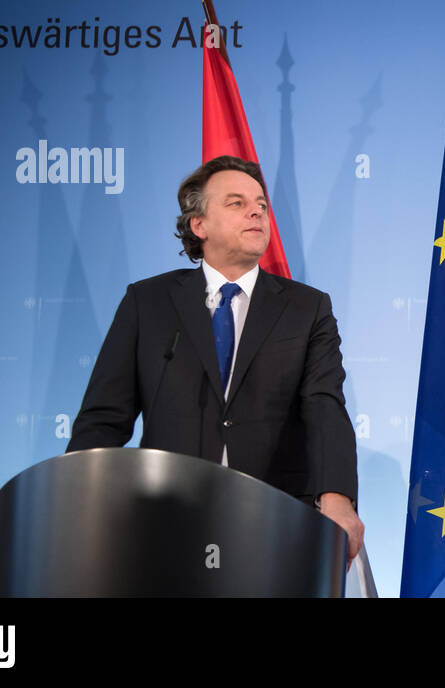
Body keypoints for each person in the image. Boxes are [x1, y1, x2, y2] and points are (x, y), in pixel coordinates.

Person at [67, 155, 364, 559]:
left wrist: (337, 499)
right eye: (237, 202)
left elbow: (325, 408)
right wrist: (76, 500)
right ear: (199, 225)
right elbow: (103, 419)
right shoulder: (148, 303)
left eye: (260, 202)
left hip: (274, 522)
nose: (256, 210)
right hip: (168, 522)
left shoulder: (307, 308)